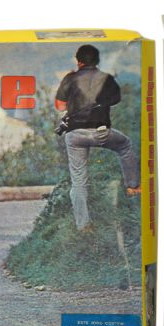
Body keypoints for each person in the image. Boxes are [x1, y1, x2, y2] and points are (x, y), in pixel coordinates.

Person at [55, 44, 140, 231]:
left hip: (75, 135)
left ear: (79, 61)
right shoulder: (107, 79)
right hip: (101, 131)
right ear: (97, 61)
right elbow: (115, 100)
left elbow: (60, 106)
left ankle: (83, 226)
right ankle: (133, 187)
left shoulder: (70, 78)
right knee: (125, 145)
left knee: (79, 180)